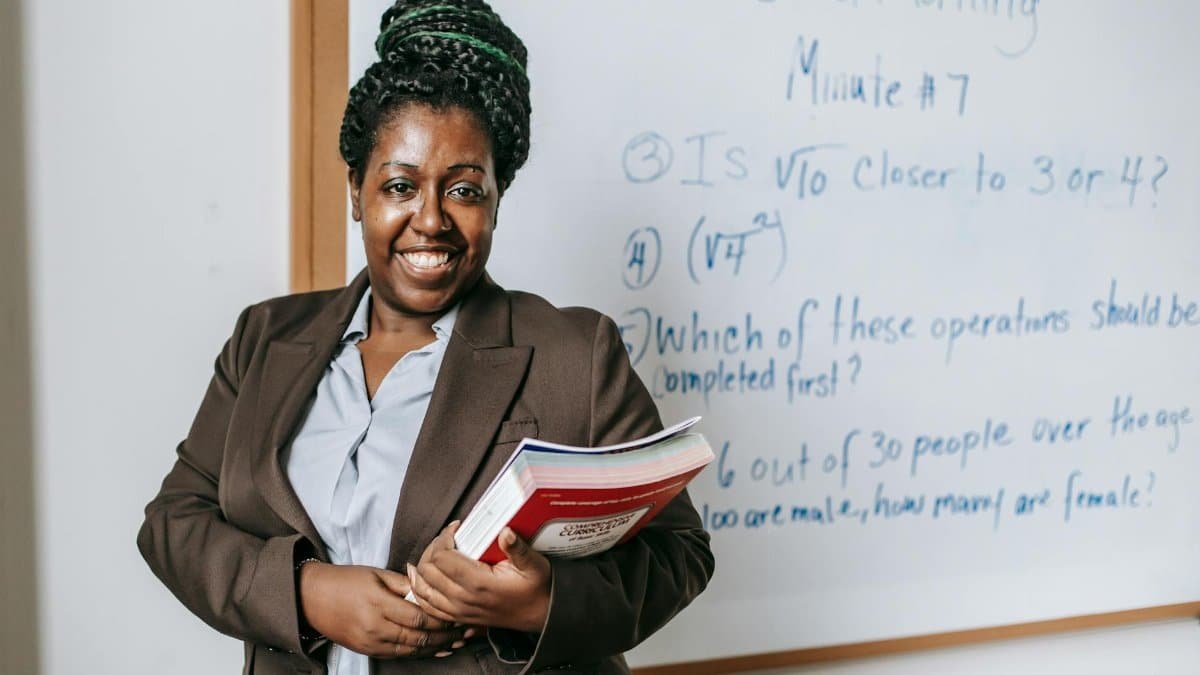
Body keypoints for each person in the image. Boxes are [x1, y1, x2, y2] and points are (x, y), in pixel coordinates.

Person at [136, 1, 714, 673]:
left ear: (498, 198)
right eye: (401, 185)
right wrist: (304, 592)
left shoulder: (574, 354)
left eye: (464, 190)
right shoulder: (264, 337)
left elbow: (682, 553)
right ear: (357, 190)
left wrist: (541, 600)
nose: (430, 219)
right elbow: (174, 521)